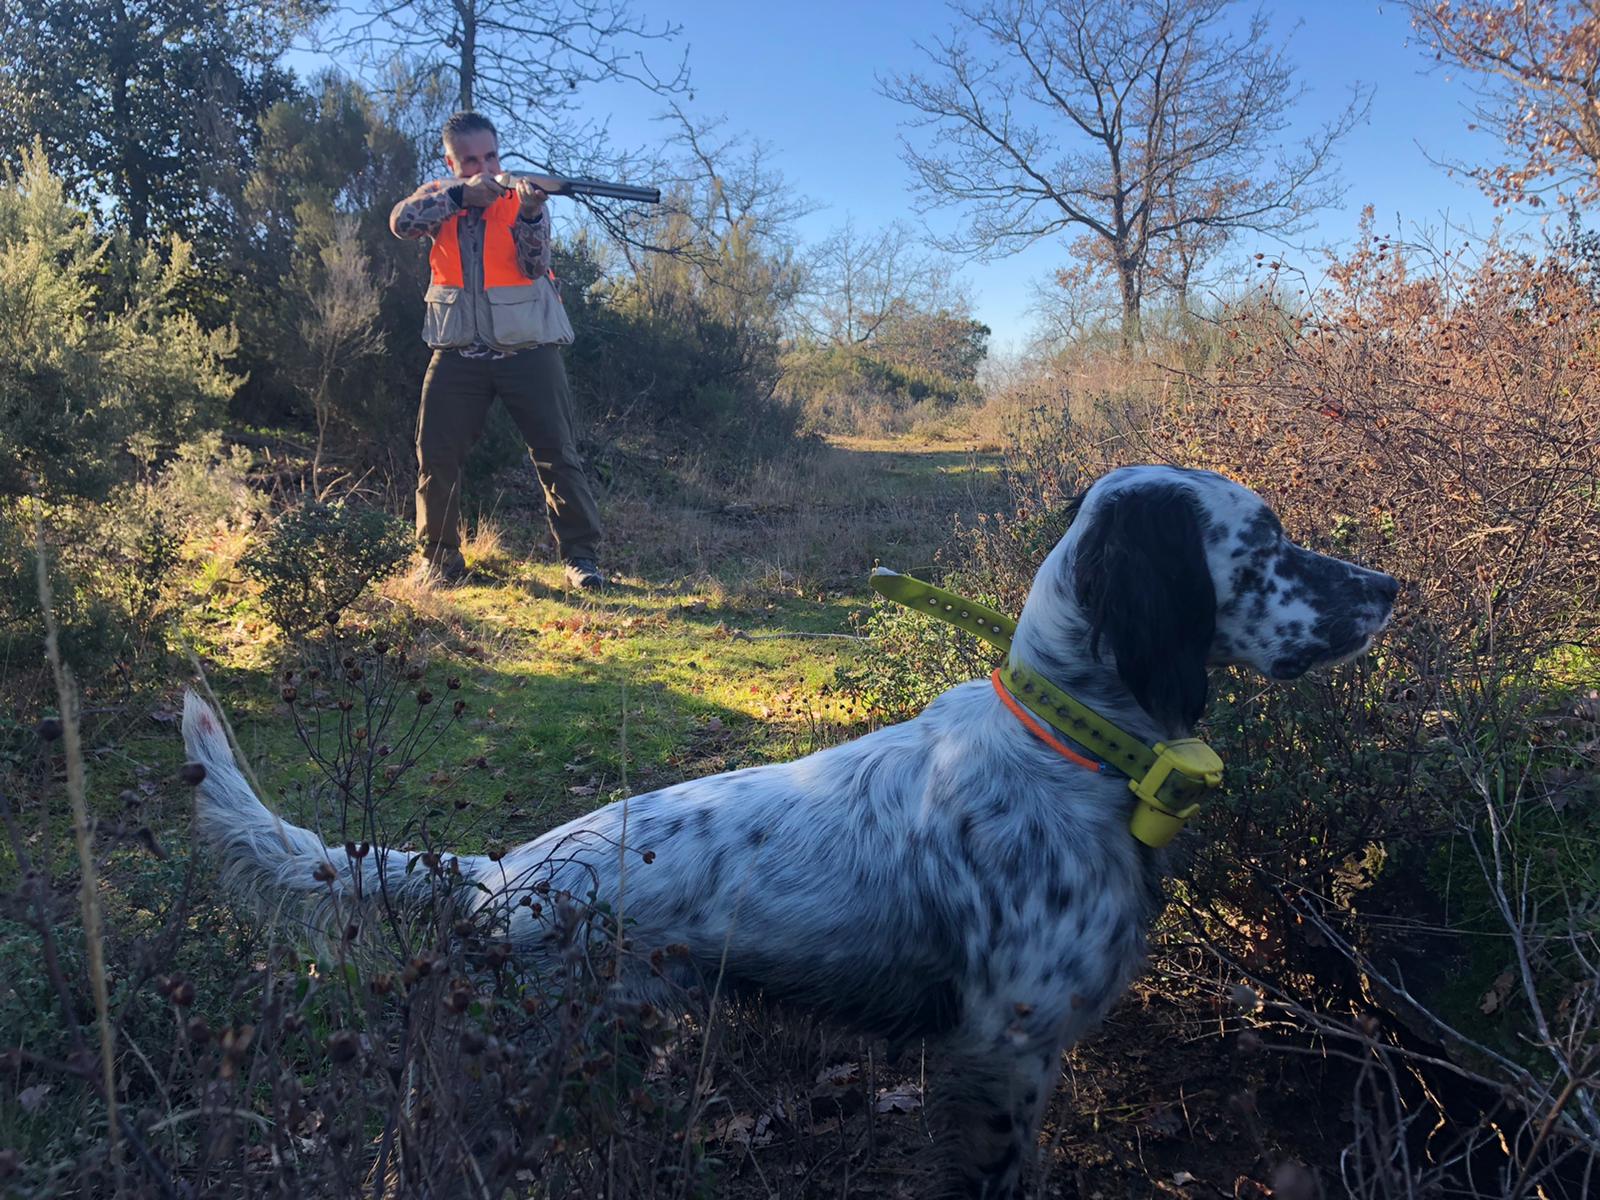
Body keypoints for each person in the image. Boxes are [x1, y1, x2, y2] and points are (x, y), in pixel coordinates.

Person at [389, 110, 604, 590]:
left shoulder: (521, 198)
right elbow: (401, 223)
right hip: (458, 348)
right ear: (451, 161)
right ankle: (439, 560)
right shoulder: (438, 197)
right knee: (436, 454)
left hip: (528, 346)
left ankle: (581, 559)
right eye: (469, 161)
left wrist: (529, 213)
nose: (482, 167)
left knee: (557, 454)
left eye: (490, 155)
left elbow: (534, 266)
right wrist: (460, 196)